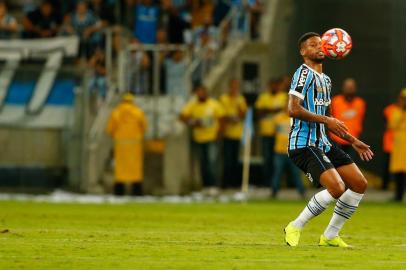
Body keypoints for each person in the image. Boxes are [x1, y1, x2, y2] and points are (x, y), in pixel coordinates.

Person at [284, 32, 373, 248]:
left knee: (359, 184)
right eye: (313, 45)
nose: (319, 47)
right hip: (303, 144)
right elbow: (292, 109)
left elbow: (330, 120)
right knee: (337, 188)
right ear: (303, 52)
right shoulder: (303, 74)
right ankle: (295, 226)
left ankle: (330, 236)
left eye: (321, 43)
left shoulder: (326, 80)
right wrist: (327, 120)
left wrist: (353, 140)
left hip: (323, 143)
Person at [180, 84, 225, 192]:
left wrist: (218, 135)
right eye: (199, 92)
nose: (201, 94)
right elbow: (182, 116)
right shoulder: (193, 105)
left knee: (212, 163)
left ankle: (214, 185)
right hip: (199, 138)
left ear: (206, 93)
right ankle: (205, 186)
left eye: (203, 92)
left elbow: (222, 119)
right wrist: (193, 122)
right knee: (202, 164)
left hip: (211, 138)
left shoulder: (214, 104)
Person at [107, 93, 147, 196]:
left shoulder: (117, 112)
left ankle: (119, 191)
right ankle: (136, 191)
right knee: (135, 169)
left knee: (120, 169)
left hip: (121, 144)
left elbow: (110, 128)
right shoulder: (138, 112)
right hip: (134, 144)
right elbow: (144, 127)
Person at [255, 78, 287, 187]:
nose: (274, 87)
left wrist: (267, 110)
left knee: (280, 161)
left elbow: (285, 110)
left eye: (275, 85)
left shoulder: (283, 96)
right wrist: (275, 110)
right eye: (271, 85)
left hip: (280, 136)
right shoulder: (263, 97)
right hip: (266, 133)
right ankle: (267, 183)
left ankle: (279, 183)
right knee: (267, 159)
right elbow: (259, 112)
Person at [271, 102, 305, 198]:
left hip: (292, 151)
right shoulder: (277, 118)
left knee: (296, 173)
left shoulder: (296, 119)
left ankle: (301, 192)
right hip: (280, 150)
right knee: (277, 172)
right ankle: (273, 192)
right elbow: (274, 132)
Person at [219, 79, 247, 188]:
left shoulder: (240, 99)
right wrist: (230, 118)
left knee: (235, 160)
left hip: (237, 134)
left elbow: (243, 114)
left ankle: (234, 183)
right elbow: (221, 115)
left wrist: (238, 110)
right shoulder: (223, 98)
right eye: (232, 86)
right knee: (227, 160)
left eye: (235, 86)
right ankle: (225, 183)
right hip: (226, 134)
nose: (233, 89)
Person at [330, 78, 366, 157]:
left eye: (351, 87)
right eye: (348, 87)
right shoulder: (335, 101)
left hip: (354, 141)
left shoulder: (360, 103)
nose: (350, 89)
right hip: (337, 139)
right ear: (343, 88)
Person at [389, 88, 406, 201]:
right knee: (399, 171)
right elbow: (392, 125)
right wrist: (401, 110)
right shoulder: (396, 111)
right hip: (400, 144)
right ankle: (398, 196)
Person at [382, 101, 398, 190]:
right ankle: (385, 186)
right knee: (387, 165)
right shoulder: (389, 110)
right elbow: (386, 124)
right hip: (390, 142)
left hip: (402, 144)